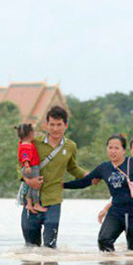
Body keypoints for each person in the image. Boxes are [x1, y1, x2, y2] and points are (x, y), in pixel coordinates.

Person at [64, 134, 133, 253]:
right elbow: (84, 182)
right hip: (116, 212)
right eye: (110, 148)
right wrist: (63, 185)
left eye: (116, 148)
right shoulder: (104, 168)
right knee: (104, 240)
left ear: (123, 150)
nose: (113, 151)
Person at [21, 106, 88, 249]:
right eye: (52, 124)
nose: (55, 129)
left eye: (59, 125)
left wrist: (88, 176)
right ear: (46, 125)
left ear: (66, 126)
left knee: (50, 248)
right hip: (31, 200)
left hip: (53, 200)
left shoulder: (70, 146)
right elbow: (20, 165)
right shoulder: (34, 143)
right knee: (30, 249)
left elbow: (72, 167)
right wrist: (29, 181)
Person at [16, 123, 46, 213]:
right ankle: (36, 204)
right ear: (30, 134)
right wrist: (27, 165)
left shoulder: (23, 144)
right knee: (36, 187)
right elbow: (25, 156)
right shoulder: (27, 145)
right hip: (32, 167)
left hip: (29, 167)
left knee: (30, 187)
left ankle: (29, 204)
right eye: (34, 132)